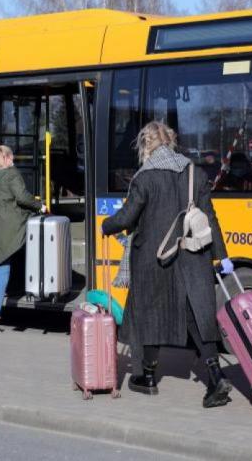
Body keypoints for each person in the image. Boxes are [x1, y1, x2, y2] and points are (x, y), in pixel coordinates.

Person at [101, 121, 235, 408]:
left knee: (151, 314)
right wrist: (219, 257)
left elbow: (126, 218)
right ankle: (215, 377)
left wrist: (106, 225)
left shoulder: (144, 178)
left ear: (146, 145)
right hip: (192, 256)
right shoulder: (193, 173)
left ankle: (147, 378)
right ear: (171, 142)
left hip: (154, 258)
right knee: (198, 316)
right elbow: (209, 216)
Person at [0, 145, 45, 335]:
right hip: (15, 227)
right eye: (12, 159)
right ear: (5, 158)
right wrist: (40, 205)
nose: (13, 162)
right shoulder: (11, 174)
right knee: (35, 245)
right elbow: (23, 198)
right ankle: (40, 291)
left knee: (0, 275)